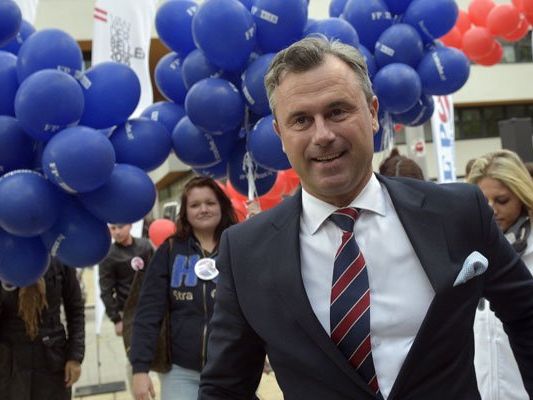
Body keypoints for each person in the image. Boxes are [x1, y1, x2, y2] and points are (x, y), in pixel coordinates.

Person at [198, 37, 533, 400]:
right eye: (301, 120)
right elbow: (225, 386)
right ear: (280, 134)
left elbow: (527, 315)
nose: (323, 135)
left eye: (338, 111)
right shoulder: (246, 249)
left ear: (372, 112)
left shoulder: (457, 212)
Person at [130, 176, 237, 400]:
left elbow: (260, 305)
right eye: (195, 205)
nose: (203, 209)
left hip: (233, 369)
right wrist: (140, 369)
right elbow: (148, 311)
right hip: (181, 372)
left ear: (222, 206)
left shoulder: (239, 246)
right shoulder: (169, 250)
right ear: (185, 212)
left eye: (210, 203)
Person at [467, 150, 533, 400]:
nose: (491, 210)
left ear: (522, 197)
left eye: (502, 200)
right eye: (483, 202)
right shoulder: (460, 255)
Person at [0, 257, 85, 399]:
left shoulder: (59, 257)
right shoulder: (4, 255)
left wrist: (75, 357)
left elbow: (75, 308)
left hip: (52, 361)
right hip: (10, 365)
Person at [98, 223, 153, 390]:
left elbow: (158, 274)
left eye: (120, 227)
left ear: (130, 226)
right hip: (128, 314)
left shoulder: (145, 246)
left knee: (158, 354)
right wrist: (116, 318)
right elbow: (106, 290)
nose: (117, 232)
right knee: (134, 358)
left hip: (151, 309)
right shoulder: (108, 255)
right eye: (113, 228)